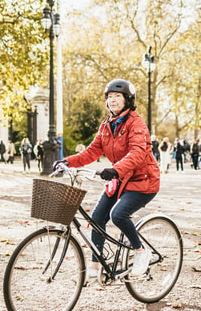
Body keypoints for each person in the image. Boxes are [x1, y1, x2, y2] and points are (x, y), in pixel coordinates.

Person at [53, 79, 160, 281]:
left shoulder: (135, 123)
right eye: (109, 97)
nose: (112, 100)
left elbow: (138, 153)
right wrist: (66, 162)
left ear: (127, 100)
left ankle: (140, 251)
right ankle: (95, 266)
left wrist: (114, 170)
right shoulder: (107, 124)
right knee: (97, 218)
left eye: (117, 96)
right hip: (120, 179)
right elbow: (92, 151)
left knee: (118, 214)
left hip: (142, 180)